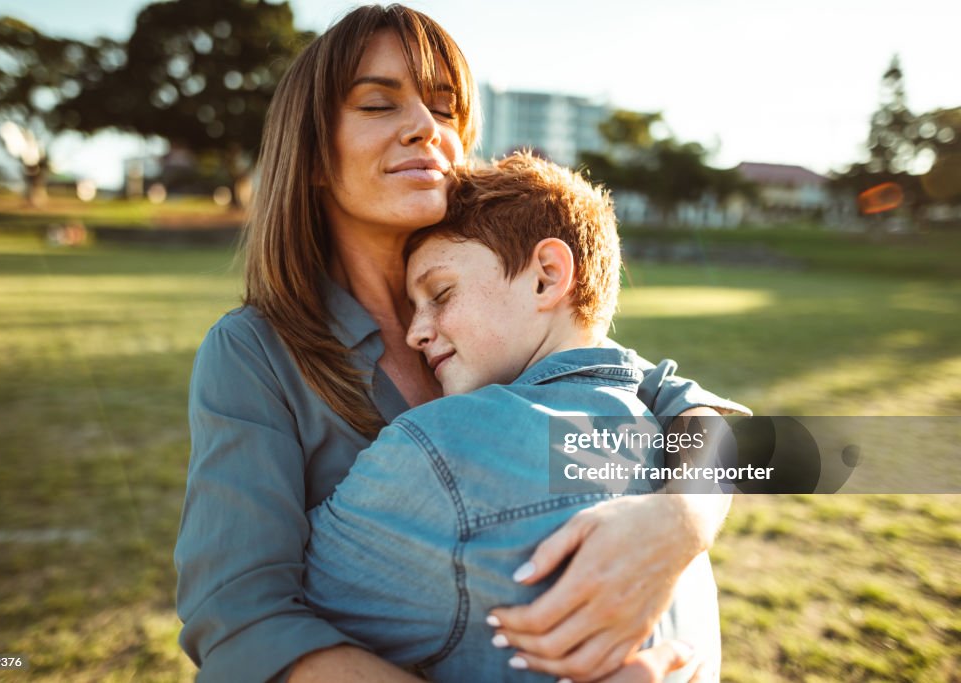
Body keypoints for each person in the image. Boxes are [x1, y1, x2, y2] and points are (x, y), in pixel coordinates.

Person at [174, 5, 747, 682]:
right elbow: (241, 621)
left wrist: (677, 522)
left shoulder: (500, 310)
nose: (426, 127)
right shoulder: (254, 351)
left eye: (445, 109)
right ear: (314, 154)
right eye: (380, 103)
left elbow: (725, 429)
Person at [302, 152, 724, 683]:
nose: (415, 333)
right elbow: (816, 454)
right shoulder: (662, 429)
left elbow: (273, 608)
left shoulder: (446, 443)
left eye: (440, 293)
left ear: (547, 277)